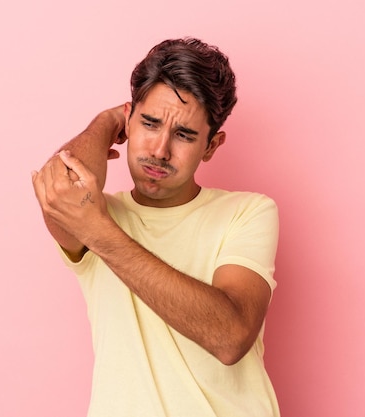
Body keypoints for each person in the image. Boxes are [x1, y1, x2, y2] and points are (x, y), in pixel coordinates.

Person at [31, 38, 280, 417]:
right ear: (129, 121)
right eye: (149, 123)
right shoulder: (99, 212)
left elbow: (230, 336)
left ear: (211, 147)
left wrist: (99, 233)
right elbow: (59, 189)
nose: (160, 150)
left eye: (184, 135)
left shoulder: (247, 212)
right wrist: (106, 121)